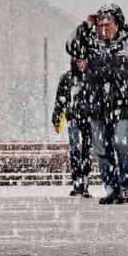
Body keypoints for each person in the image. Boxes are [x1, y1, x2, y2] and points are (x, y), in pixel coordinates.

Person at [66, 4, 128, 205]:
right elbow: (71, 47)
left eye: (108, 24)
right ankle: (112, 189)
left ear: (118, 24)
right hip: (96, 105)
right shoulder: (89, 43)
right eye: (99, 25)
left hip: (122, 103)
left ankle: (125, 187)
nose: (103, 29)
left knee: (121, 142)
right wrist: (85, 26)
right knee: (101, 147)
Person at [51, 56, 95, 198]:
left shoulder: (92, 77)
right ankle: (78, 182)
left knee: (86, 151)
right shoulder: (67, 78)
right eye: (78, 61)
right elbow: (60, 99)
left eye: (83, 61)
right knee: (76, 150)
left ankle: (84, 183)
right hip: (74, 118)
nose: (81, 64)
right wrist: (57, 118)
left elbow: (98, 98)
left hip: (88, 119)